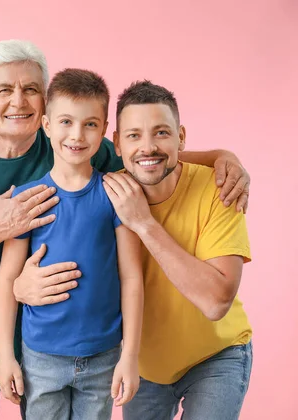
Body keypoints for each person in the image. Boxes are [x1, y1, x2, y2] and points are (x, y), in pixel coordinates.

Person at [0, 39, 250, 420]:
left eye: (31, 89)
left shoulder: (93, 162)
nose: (18, 102)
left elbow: (147, 155)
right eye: (4, 90)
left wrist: (222, 157)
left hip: (79, 347)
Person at [0, 68, 143, 420]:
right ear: (46, 125)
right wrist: (6, 356)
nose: (77, 135)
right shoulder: (28, 199)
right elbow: (6, 280)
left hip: (104, 356)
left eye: (91, 124)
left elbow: (132, 278)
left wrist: (130, 356)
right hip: (40, 358)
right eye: (66, 122)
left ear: (105, 129)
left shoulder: (116, 194)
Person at [101, 80, 252, 420]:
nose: (148, 146)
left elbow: (216, 301)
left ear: (181, 137)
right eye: (134, 135)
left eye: (162, 133)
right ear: (118, 145)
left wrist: (144, 223)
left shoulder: (220, 188)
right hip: (145, 366)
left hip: (216, 354)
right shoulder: (107, 192)